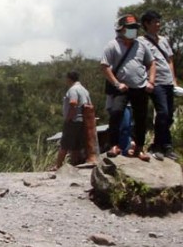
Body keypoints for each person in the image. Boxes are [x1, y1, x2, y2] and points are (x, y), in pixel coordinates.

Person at [101, 13, 154, 159]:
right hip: (122, 88)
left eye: (135, 28)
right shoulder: (112, 45)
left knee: (141, 118)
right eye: (130, 28)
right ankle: (114, 146)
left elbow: (151, 63)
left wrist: (151, 81)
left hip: (140, 86)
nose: (133, 31)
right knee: (116, 113)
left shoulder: (141, 45)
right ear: (121, 29)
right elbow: (104, 66)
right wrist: (117, 83)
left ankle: (139, 148)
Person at [141, 10, 176, 159]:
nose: (158, 24)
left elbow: (169, 60)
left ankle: (165, 145)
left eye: (158, 21)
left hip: (168, 82)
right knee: (162, 112)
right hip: (156, 82)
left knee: (169, 117)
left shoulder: (163, 40)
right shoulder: (141, 42)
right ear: (146, 24)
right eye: (155, 22)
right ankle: (158, 145)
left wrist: (173, 79)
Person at [53, 70, 92, 171]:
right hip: (82, 120)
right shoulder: (84, 90)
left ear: (69, 79)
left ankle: (58, 165)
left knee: (65, 144)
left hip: (73, 120)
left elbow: (73, 103)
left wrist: (68, 118)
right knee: (76, 145)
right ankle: (76, 164)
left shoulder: (73, 90)